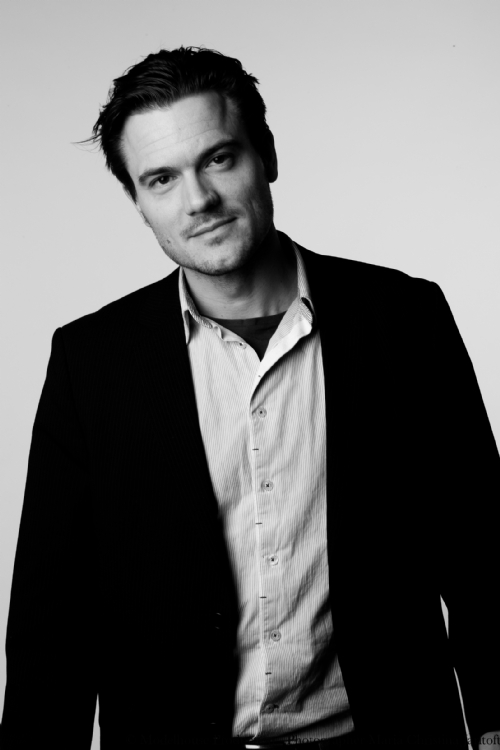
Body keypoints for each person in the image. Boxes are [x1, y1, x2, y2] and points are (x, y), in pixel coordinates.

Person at [1, 46, 499, 750]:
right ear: (139, 202)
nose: (198, 200)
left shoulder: (401, 319)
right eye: (161, 179)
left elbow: (483, 553)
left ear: (266, 156)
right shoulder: (92, 361)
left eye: (218, 159)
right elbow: (53, 619)